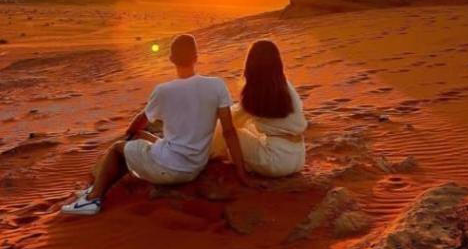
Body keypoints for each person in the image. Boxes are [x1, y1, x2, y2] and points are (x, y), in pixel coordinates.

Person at [62, 33, 252, 216]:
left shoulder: (164, 91)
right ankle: (96, 189)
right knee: (144, 144)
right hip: (194, 167)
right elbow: (229, 132)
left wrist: (131, 132)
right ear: (196, 57)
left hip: (169, 168)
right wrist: (241, 174)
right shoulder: (216, 86)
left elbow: (140, 121)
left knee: (118, 149)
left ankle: (92, 199)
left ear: (171, 59)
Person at [210, 39, 307, 177]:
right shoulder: (286, 87)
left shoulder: (256, 91)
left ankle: (205, 156)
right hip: (298, 158)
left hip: (275, 161)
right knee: (248, 128)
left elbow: (230, 122)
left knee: (227, 130)